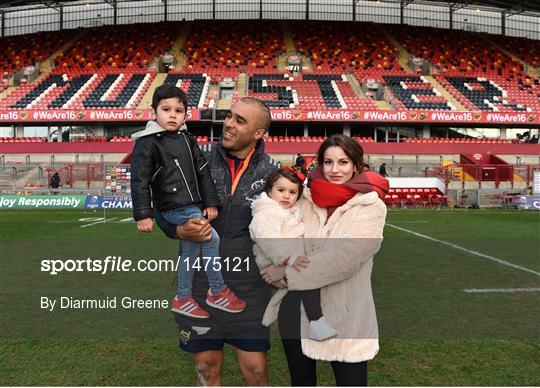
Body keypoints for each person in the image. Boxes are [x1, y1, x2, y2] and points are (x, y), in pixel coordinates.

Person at [154, 97, 280, 386]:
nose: (229, 124)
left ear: (258, 133)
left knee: (257, 371)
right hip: (199, 284)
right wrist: (177, 230)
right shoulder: (194, 159)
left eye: (239, 120)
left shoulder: (272, 173)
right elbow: (161, 203)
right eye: (229, 116)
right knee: (207, 368)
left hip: (250, 287)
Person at [260, 134, 389, 386]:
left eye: (343, 162)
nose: (334, 170)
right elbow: (278, 231)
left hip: (344, 309)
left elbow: (345, 259)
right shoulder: (306, 199)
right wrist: (271, 264)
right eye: (328, 162)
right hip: (295, 306)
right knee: (301, 381)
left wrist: (286, 274)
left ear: (356, 165)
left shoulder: (370, 207)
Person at [130, 85, 245, 319]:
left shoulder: (187, 140)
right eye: (166, 109)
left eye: (179, 110)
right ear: (154, 112)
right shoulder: (146, 143)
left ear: (185, 115)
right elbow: (139, 180)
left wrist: (210, 203)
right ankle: (217, 291)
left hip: (192, 206)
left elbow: (203, 172)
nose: (173, 115)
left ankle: (183, 298)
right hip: (172, 207)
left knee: (190, 253)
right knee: (212, 238)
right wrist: (143, 214)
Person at [249, 168, 337, 341]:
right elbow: (267, 240)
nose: (286, 196)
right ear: (269, 191)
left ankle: (314, 321)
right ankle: (316, 321)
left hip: (290, 259)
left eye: (292, 192)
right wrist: (288, 258)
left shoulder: (292, 210)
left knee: (306, 285)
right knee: (308, 279)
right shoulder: (266, 213)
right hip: (275, 261)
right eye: (281, 190)